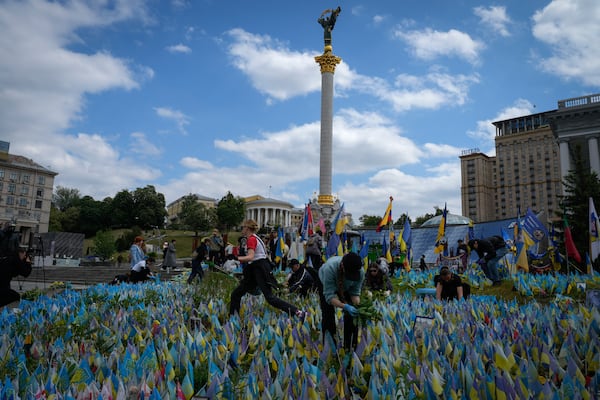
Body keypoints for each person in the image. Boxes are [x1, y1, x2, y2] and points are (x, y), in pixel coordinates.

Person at [229, 219, 305, 319]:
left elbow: (251, 257)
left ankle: (297, 312)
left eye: (243, 227)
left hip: (259, 269)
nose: (241, 229)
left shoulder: (251, 239)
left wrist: (236, 258)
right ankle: (233, 318)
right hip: (257, 269)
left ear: (247, 228)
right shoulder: (256, 238)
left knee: (270, 298)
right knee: (236, 294)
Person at [318, 252, 365, 350]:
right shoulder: (329, 269)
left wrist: (357, 307)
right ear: (343, 266)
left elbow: (355, 293)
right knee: (328, 315)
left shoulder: (360, 272)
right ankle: (330, 348)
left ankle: (350, 347)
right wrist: (345, 306)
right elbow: (330, 297)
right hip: (327, 285)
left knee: (352, 317)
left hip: (346, 288)